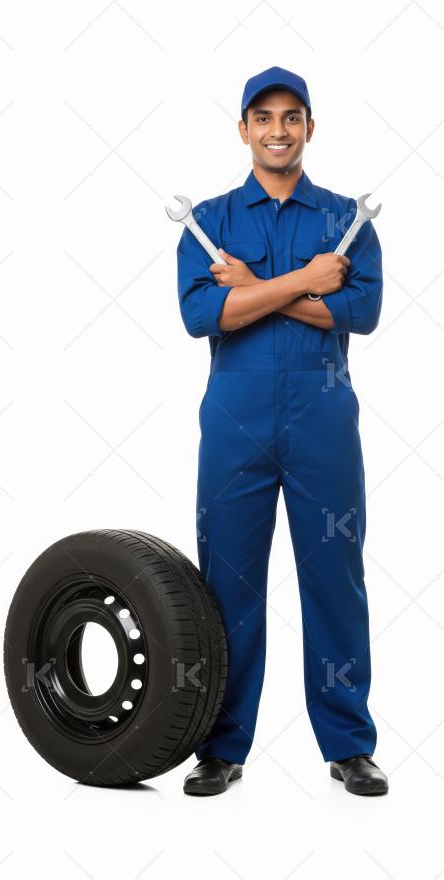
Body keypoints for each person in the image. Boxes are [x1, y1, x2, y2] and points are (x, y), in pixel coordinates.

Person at [176, 66, 388, 797]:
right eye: (262, 117)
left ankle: (349, 744)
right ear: (243, 129)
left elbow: (359, 313)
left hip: (323, 416)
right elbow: (206, 316)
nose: (276, 129)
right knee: (226, 585)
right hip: (235, 418)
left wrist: (256, 286)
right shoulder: (210, 219)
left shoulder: (344, 218)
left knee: (336, 579)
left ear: (309, 127)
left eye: (291, 117)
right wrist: (306, 281)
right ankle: (221, 744)